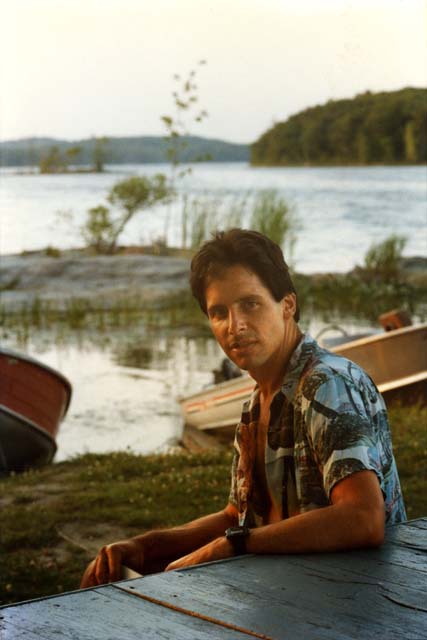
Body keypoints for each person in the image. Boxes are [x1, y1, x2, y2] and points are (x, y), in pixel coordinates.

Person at [80, 228, 406, 588]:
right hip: (292, 592)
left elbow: (362, 518)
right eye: (219, 312)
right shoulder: (257, 402)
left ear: (287, 305)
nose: (235, 326)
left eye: (250, 304)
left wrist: (234, 545)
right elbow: (240, 515)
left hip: (361, 599)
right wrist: (146, 546)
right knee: (107, 584)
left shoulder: (327, 384)